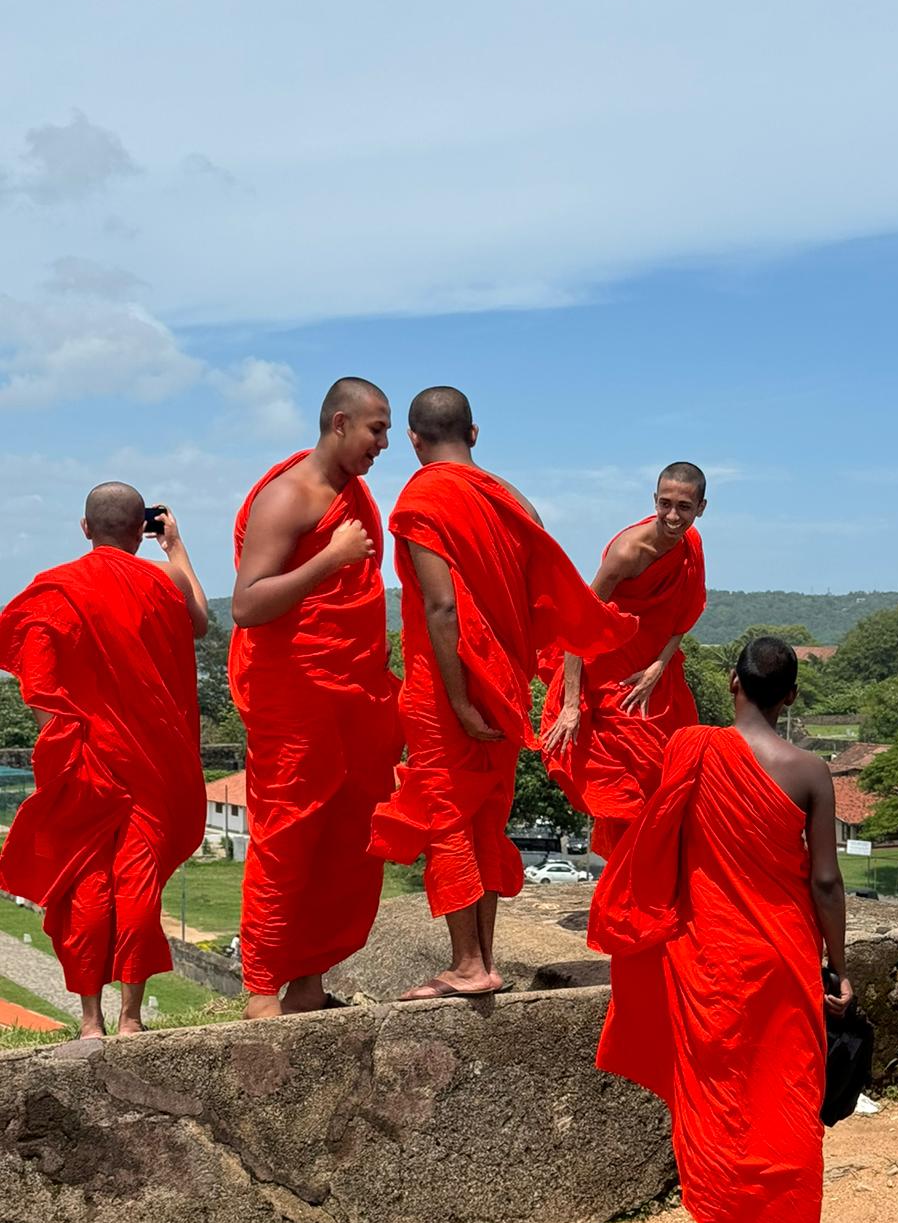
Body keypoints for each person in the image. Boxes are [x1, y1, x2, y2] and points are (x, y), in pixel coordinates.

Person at [589, 636, 853, 1223]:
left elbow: (654, 842)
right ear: (791, 696)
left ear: (733, 683)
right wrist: (838, 965)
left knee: (716, 1102)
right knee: (791, 1099)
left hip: (705, 956)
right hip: (785, 956)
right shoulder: (810, 771)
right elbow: (826, 882)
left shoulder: (692, 751)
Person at [370, 385, 636, 1000]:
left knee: (446, 815)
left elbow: (441, 606)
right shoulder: (511, 498)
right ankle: (482, 959)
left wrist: (460, 699)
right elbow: (538, 588)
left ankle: (468, 963)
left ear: (413, 440)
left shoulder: (421, 497)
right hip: (507, 684)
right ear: (475, 434)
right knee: (485, 815)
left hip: (448, 688)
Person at [0, 484, 207, 1037]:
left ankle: (90, 1021)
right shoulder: (163, 583)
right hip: (153, 763)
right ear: (141, 530)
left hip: (86, 758)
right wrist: (176, 547)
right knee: (135, 880)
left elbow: (38, 677)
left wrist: (60, 744)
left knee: (88, 882)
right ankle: (131, 1018)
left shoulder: (56, 590)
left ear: (85, 528)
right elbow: (202, 619)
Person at [230, 377, 401, 1019]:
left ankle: (307, 984)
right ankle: (260, 991)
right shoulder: (289, 496)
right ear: (338, 423)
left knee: (343, 839)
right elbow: (247, 604)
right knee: (288, 835)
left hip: (350, 696)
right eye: (375, 430)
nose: (384, 444)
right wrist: (329, 561)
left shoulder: (351, 493)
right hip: (294, 696)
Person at [541, 465, 707, 856]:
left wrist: (659, 667)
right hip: (611, 678)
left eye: (684, 507)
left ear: (701, 508)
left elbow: (684, 615)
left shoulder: (691, 544)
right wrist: (570, 705)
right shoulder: (627, 553)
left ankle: (652, 883)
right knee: (626, 792)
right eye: (665, 504)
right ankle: (624, 887)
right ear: (654, 501)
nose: (672, 516)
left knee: (670, 778)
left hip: (654, 675)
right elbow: (577, 622)